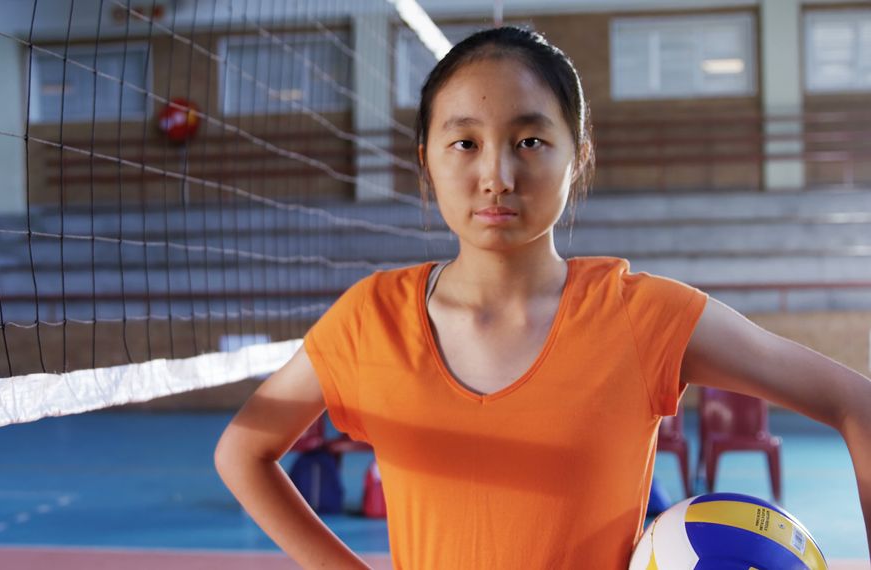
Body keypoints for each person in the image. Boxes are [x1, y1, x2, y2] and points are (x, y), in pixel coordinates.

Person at [214, 26, 871, 569]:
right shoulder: (369, 319)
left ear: (577, 158)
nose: (496, 175)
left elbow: (855, 401)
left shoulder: (644, 316)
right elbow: (241, 452)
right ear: (426, 161)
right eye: (465, 142)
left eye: (529, 141)